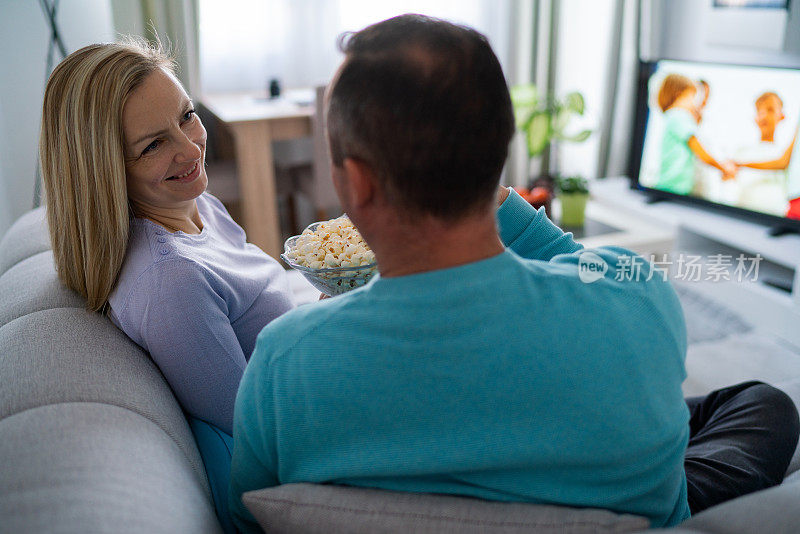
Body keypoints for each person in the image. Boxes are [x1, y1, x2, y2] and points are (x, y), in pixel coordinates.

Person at [229, 15, 800, 533]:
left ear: (356, 182)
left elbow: (246, 516)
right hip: (630, 499)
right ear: (499, 155)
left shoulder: (284, 361)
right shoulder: (637, 296)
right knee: (762, 403)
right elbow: (578, 266)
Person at [39, 39, 294, 531]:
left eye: (186, 116)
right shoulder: (172, 282)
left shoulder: (195, 207)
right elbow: (261, 435)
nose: (190, 147)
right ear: (104, 169)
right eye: (152, 145)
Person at [655, 73, 735, 195]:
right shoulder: (680, 116)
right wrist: (723, 168)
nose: (694, 104)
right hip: (676, 188)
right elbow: (701, 152)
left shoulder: (671, 116)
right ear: (679, 95)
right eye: (692, 97)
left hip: (670, 185)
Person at [732, 92, 800, 219]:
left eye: (770, 110)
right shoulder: (741, 151)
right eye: (759, 110)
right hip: (743, 215)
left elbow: (782, 164)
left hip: (776, 218)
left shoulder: (787, 153)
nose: (764, 115)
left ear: (782, 116)